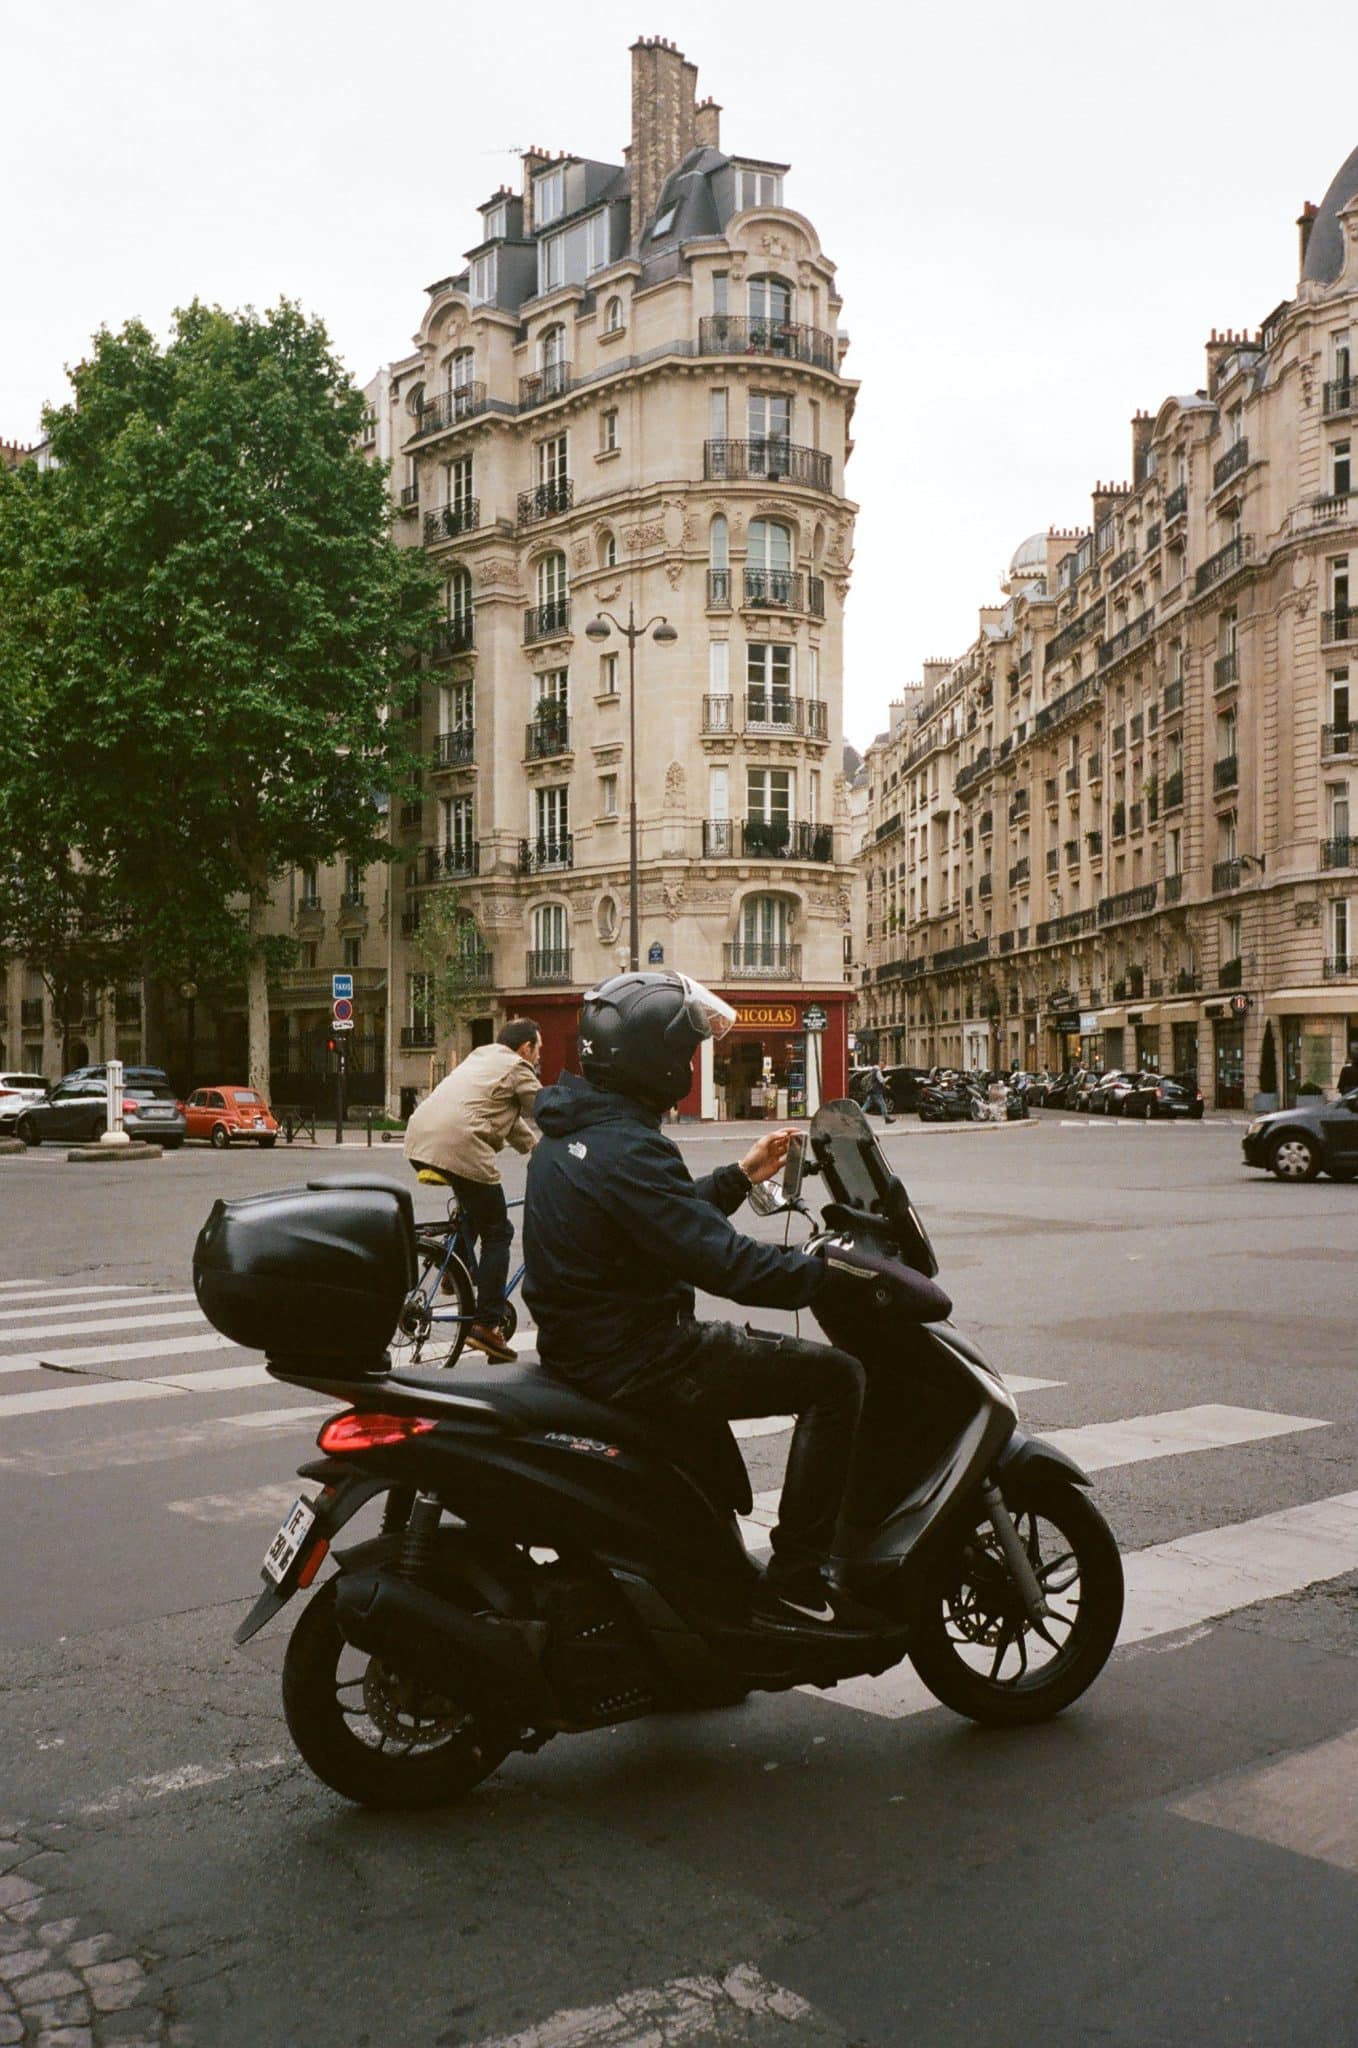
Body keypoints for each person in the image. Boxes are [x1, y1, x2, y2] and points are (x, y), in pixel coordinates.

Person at [522, 971, 951, 1627]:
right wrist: (836, 1275)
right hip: (640, 1357)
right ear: (655, 1061)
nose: (691, 1063)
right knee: (836, 1379)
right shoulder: (628, 1146)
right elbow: (725, 1263)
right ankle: (797, 1577)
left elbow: (657, 1217)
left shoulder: (578, 1130)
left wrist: (739, 1176)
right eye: (686, 1051)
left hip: (591, 1348)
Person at [403, 1020, 542, 1362]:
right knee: (499, 1231)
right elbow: (546, 1109)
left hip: (419, 1141)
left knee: (473, 1206)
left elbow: (507, 1120)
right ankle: (487, 1324)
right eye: (538, 1050)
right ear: (525, 1048)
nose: (538, 1058)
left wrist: (537, 1150)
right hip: (459, 1145)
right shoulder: (516, 1067)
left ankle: (455, 1271)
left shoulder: (482, 1058)